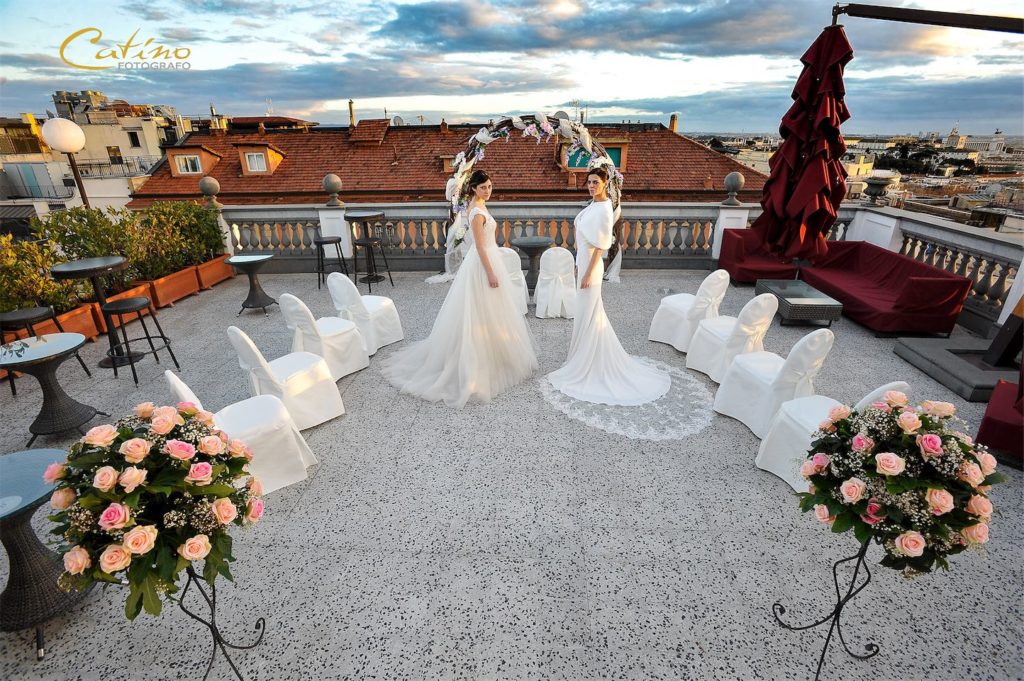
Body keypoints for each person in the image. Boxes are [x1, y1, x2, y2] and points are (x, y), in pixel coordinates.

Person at [382, 170, 538, 408]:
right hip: (482, 265)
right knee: (478, 311)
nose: (488, 190)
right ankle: (475, 362)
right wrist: (491, 273)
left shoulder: (480, 206)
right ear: (474, 188)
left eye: (489, 186)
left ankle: (496, 355)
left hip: (487, 260)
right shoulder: (476, 211)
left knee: (493, 312)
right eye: (483, 187)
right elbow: (480, 247)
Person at [548, 165, 670, 405]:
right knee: (585, 312)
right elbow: (582, 241)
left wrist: (588, 274)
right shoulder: (592, 204)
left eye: (596, 182)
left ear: (606, 184)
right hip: (582, 262)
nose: (592, 186)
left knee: (590, 312)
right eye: (589, 182)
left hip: (591, 268)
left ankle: (591, 361)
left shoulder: (604, 209)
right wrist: (577, 263)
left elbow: (601, 246)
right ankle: (581, 356)